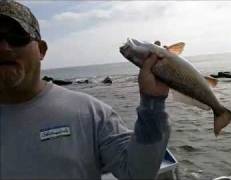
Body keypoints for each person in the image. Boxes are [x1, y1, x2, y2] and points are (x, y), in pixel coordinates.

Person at [0, 0, 170, 179]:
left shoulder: (90, 113)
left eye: (16, 37)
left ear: (41, 50)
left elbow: (138, 173)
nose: (3, 48)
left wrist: (153, 103)